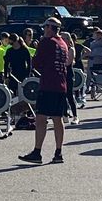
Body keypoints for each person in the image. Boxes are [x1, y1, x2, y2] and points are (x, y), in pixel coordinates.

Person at [17, 19, 73, 165]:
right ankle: (58, 152)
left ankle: (37, 152)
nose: (44, 30)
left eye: (45, 27)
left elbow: (36, 62)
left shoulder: (47, 42)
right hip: (61, 84)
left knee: (41, 118)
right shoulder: (63, 44)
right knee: (57, 118)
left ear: (49, 28)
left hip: (48, 84)